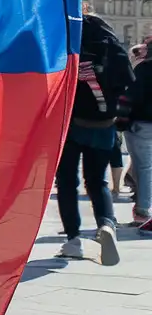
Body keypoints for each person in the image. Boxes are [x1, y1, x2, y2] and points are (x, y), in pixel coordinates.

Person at [57, 14, 133, 262]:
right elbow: (127, 85)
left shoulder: (68, 42)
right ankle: (106, 225)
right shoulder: (110, 45)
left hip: (71, 123)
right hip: (103, 124)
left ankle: (73, 239)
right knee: (97, 181)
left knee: (68, 182)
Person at [124, 41, 152, 231]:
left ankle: (142, 211)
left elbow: (133, 95)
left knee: (144, 168)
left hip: (142, 123)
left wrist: (122, 119)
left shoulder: (144, 69)